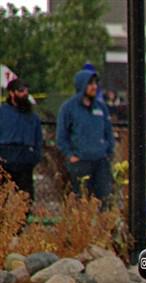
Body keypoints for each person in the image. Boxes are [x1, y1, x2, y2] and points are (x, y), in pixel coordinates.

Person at [56, 68, 115, 204]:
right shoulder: (68, 108)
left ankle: (102, 225)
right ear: (82, 85)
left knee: (104, 201)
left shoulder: (101, 107)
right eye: (90, 83)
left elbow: (108, 132)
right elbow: (61, 136)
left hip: (101, 162)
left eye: (95, 83)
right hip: (80, 162)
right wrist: (70, 155)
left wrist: (109, 152)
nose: (94, 87)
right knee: (81, 201)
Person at [0, 78, 43, 207]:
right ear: (11, 93)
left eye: (26, 91)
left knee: (25, 202)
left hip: (25, 162)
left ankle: (21, 226)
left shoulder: (33, 117)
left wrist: (34, 157)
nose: (25, 94)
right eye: (20, 91)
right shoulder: (2, 113)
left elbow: (38, 140)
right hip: (4, 161)